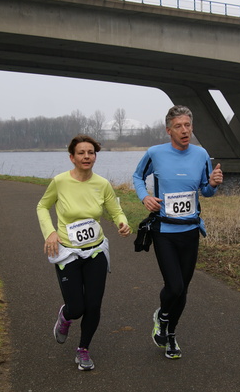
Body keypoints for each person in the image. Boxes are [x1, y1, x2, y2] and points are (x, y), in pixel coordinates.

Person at [132, 105, 223, 359]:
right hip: (164, 230)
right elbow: (137, 177)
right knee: (174, 286)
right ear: (168, 130)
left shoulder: (201, 154)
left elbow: (205, 189)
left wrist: (213, 184)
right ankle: (161, 316)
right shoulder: (155, 153)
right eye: (179, 126)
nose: (185, 131)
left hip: (191, 230)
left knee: (183, 289)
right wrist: (145, 197)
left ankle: (171, 335)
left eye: (188, 125)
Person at [36, 134, 131, 371]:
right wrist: (50, 232)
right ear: (72, 157)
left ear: (95, 156)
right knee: (76, 307)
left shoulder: (102, 184)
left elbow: (115, 210)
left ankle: (83, 349)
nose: (86, 156)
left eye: (91, 152)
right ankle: (65, 317)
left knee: (94, 305)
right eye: (81, 153)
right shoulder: (60, 182)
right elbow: (42, 206)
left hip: (95, 251)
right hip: (67, 251)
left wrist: (122, 222)